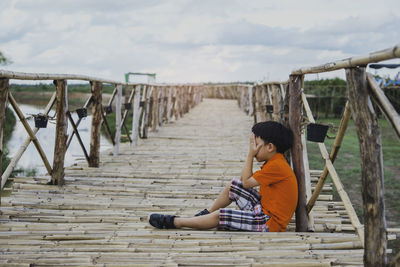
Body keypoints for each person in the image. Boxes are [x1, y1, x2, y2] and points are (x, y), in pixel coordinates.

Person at [149, 121, 298, 232]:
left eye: (256, 144)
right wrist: (253, 152)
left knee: (222, 215)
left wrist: (250, 154)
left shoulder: (276, 166)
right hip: (263, 209)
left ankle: (176, 222)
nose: (253, 148)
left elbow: (246, 182)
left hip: (268, 223)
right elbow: (243, 180)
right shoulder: (274, 161)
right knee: (234, 185)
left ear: (270, 147)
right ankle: (206, 214)